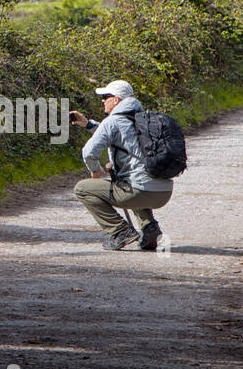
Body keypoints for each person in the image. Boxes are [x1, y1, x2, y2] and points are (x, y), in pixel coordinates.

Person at [69, 80, 171, 250]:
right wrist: (88, 124)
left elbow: (88, 153)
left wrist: (95, 171)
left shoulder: (113, 121)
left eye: (106, 96)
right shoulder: (144, 118)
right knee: (132, 179)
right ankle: (149, 228)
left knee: (82, 188)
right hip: (163, 192)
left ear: (116, 100)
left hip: (138, 192)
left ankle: (120, 231)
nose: (102, 100)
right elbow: (117, 134)